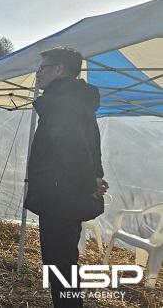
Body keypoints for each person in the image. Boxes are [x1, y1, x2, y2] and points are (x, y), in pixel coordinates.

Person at [24, 47, 108, 308]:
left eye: (42, 68)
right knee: (63, 262)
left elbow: (72, 147)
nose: (38, 74)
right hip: (66, 192)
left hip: (60, 195)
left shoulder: (63, 101)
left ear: (58, 69)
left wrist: (88, 181)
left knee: (60, 265)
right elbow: (89, 145)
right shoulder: (75, 99)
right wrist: (93, 178)